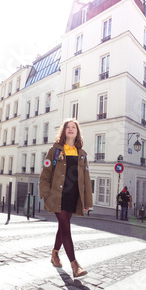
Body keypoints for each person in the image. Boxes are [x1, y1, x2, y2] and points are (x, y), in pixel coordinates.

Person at [39, 119, 93, 278]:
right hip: (57, 195)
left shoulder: (82, 154)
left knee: (63, 227)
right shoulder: (55, 151)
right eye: (67, 127)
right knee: (66, 227)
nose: (70, 129)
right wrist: (46, 194)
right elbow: (45, 174)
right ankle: (75, 265)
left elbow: (86, 179)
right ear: (63, 131)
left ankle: (54, 254)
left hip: (73, 196)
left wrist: (87, 201)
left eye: (73, 127)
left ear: (77, 132)